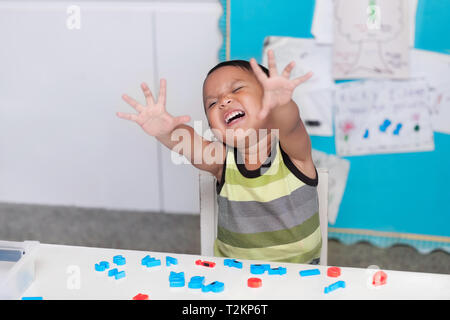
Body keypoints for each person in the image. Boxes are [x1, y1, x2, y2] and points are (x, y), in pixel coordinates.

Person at [117, 50, 321, 264]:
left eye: (237, 89)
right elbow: (190, 144)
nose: (223, 101)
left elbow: (290, 124)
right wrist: (166, 132)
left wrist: (281, 104)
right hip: (232, 274)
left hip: (301, 275)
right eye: (212, 104)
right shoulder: (222, 159)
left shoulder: (293, 152)